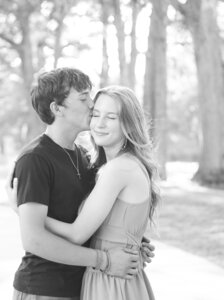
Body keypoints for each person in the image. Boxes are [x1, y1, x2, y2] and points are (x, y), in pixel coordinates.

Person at [9, 68, 154, 300]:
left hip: (83, 286)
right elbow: (34, 239)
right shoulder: (35, 160)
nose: (91, 105)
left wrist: (128, 240)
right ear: (57, 109)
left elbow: (93, 217)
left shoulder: (85, 157)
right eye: (84, 98)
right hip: (44, 289)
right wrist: (105, 259)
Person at [43, 85, 160, 299]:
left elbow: (76, 234)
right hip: (112, 277)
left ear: (128, 123)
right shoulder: (116, 165)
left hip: (112, 283)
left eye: (111, 117)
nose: (100, 124)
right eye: (96, 114)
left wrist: (26, 214)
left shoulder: (119, 168)